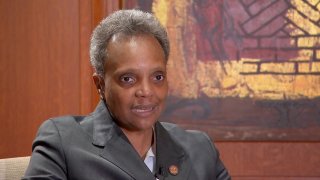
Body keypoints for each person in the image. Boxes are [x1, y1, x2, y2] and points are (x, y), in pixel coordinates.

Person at [23, 9, 231, 180]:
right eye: (128, 79)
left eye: (157, 77)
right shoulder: (63, 142)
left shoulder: (199, 150)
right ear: (100, 84)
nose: (146, 91)